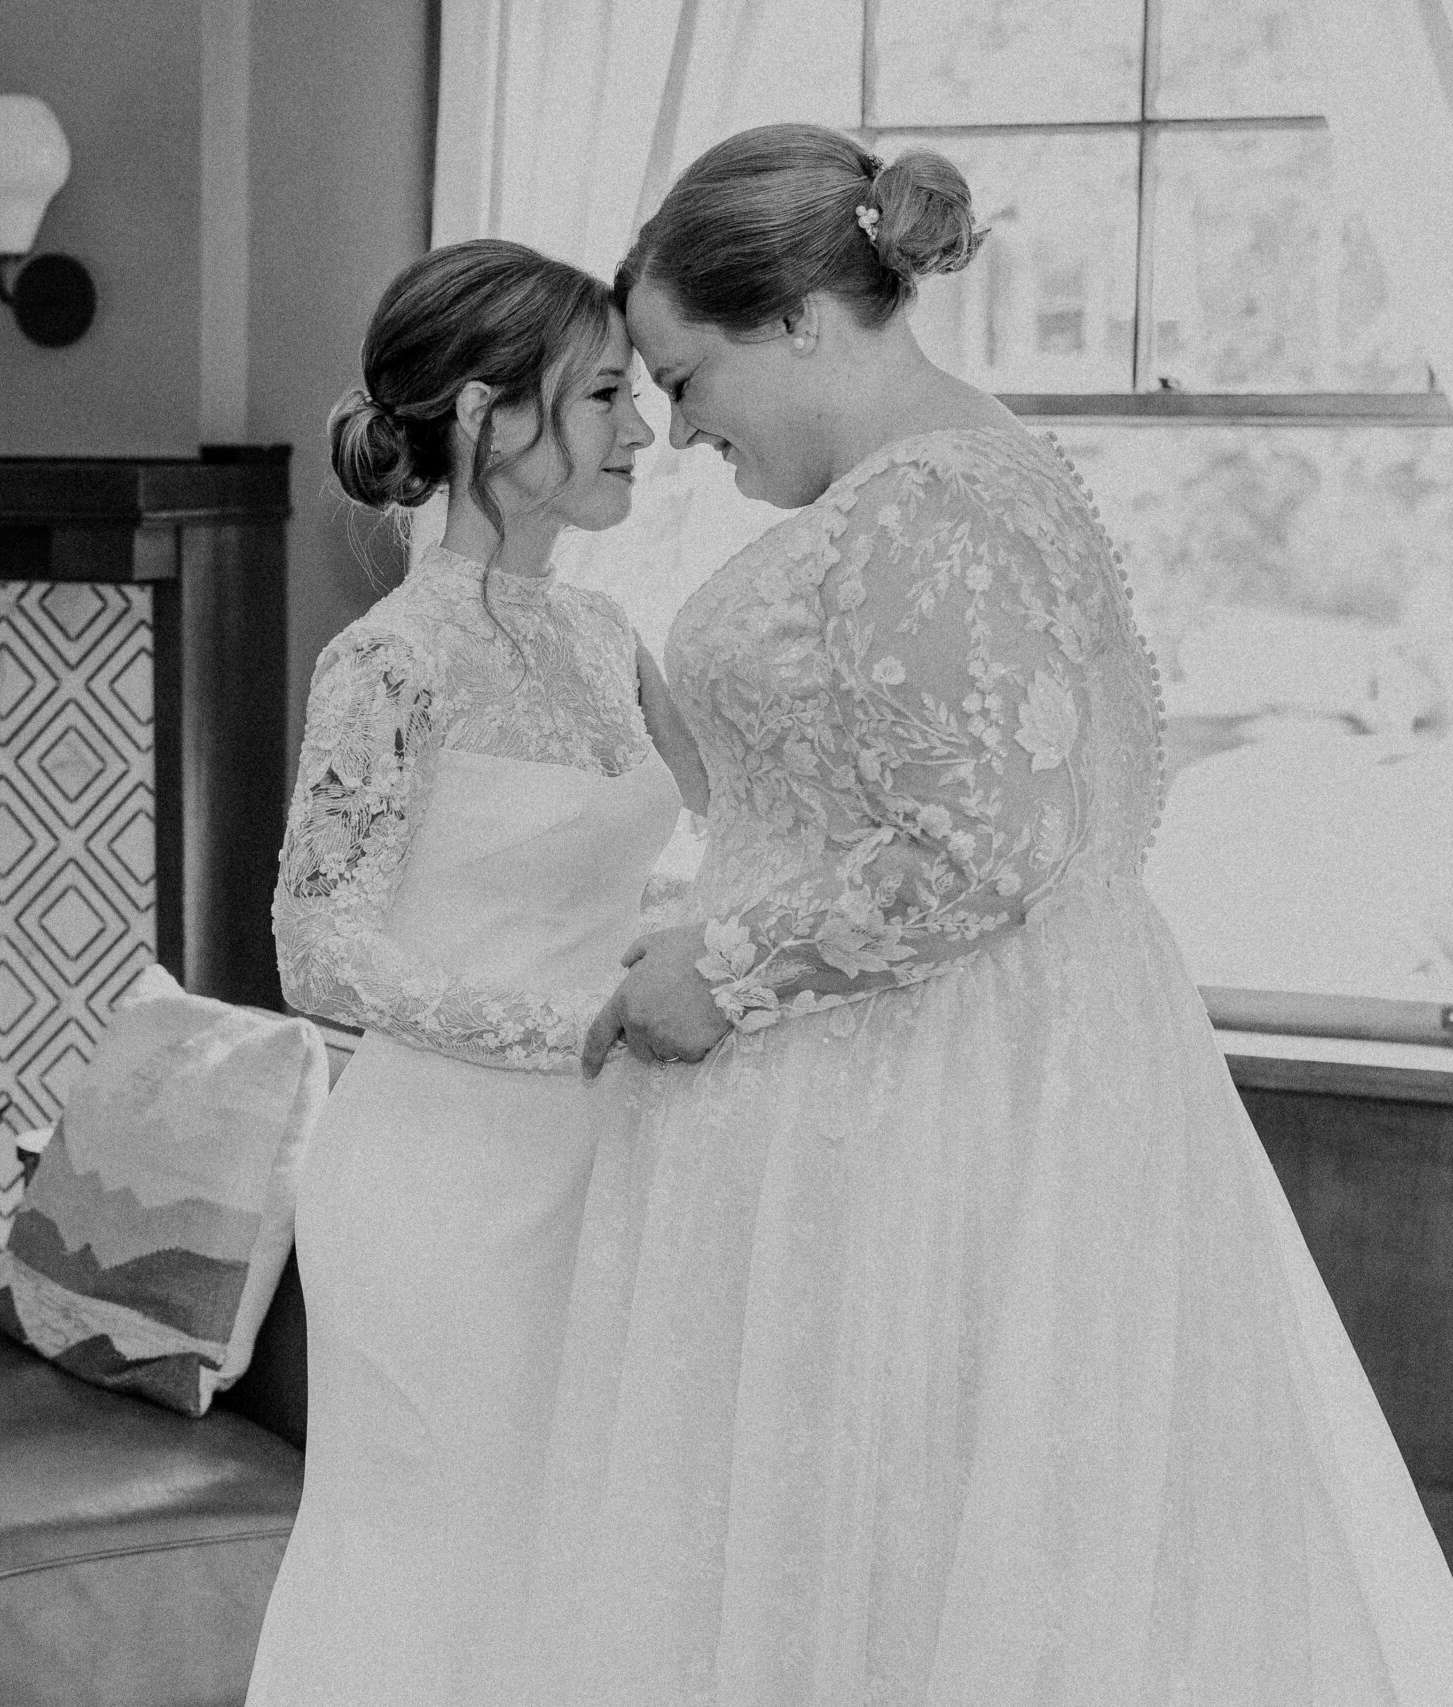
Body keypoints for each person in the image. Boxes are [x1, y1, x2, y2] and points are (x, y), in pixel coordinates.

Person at [516, 122, 1453, 1703]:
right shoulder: (951, 481)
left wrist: (722, 972)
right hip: (955, 1077)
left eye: (685, 379)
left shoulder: (918, 509)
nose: (674, 431)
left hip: (917, 1110)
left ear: (802, 320)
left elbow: (994, 846)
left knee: (896, 1546)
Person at [248, 237, 698, 1706]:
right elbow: (318, 953)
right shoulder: (390, 661)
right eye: (607, 397)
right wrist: (578, 1021)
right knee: (431, 1556)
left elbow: (711, 838)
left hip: (606, 1163)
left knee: (577, 1558)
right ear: (491, 418)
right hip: (436, 1181)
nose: (645, 430)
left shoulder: (608, 633)